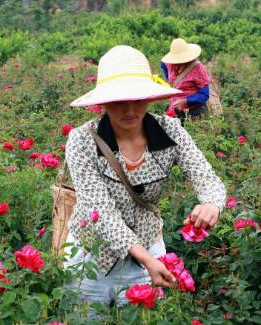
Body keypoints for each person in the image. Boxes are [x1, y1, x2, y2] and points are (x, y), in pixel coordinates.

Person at [65, 45, 226, 308]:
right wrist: (146, 259)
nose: (129, 110)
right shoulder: (82, 140)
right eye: (119, 100)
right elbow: (101, 211)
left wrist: (211, 204)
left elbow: (207, 178)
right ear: (103, 101)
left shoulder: (169, 131)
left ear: (149, 98)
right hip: (90, 255)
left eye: (137, 99)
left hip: (148, 244)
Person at [161, 38, 211, 120]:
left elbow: (204, 95)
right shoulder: (167, 63)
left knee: (194, 132)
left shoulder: (198, 68)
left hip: (194, 111)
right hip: (175, 110)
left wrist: (186, 101)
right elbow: (163, 66)